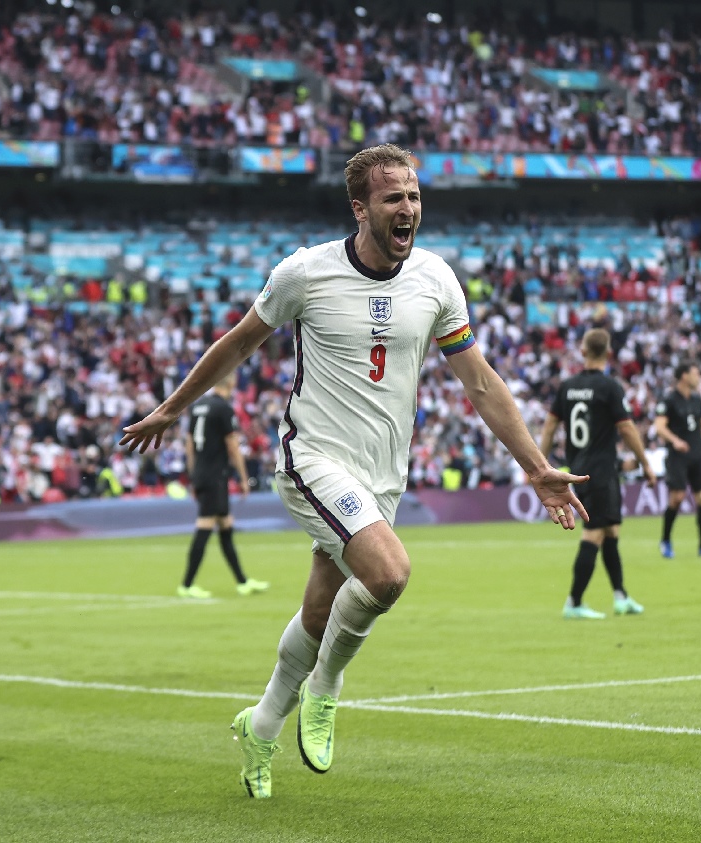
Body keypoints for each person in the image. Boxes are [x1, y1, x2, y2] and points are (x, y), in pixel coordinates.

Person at [120, 143, 589, 799]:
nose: (408, 209)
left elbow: (480, 382)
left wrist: (537, 467)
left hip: (382, 474)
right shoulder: (304, 274)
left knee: (319, 610)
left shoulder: (435, 280)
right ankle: (328, 687)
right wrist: (171, 408)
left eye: (415, 197)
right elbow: (238, 342)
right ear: (360, 207)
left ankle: (259, 727)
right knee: (388, 572)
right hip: (312, 456)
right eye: (393, 198)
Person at [539, 328, 657, 619]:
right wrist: (645, 463)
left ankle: (620, 597)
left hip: (580, 467)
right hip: (601, 472)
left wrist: (541, 464)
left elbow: (551, 426)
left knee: (610, 530)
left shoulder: (567, 387)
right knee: (594, 533)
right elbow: (627, 428)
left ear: (582, 351)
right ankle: (574, 602)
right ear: (608, 353)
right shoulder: (609, 387)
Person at [178, 373, 268, 599]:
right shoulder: (223, 409)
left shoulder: (198, 407)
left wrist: (193, 474)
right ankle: (187, 585)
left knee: (226, 526)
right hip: (215, 476)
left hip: (203, 473)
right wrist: (244, 477)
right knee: (205, 526)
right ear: (232, 384)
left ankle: (242, 582)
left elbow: (189, 444)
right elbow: (233, 446)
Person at [654, 359, 701, 559]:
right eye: (695, 373)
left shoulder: (697, 400)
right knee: (677, 498)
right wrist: (675, 441)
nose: (698, 377)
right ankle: (665, 540)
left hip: (698, 453)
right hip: (678, 456)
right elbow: (660, 426)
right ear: (684, 375)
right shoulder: (669, 400)